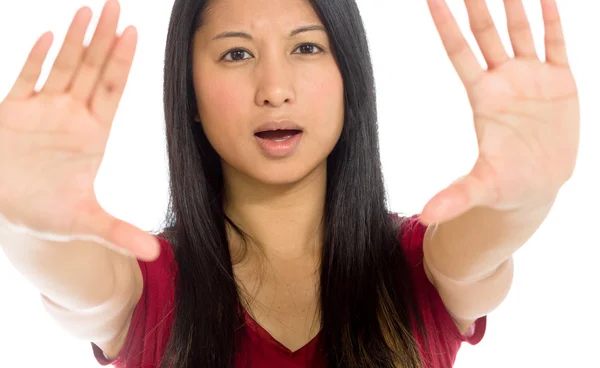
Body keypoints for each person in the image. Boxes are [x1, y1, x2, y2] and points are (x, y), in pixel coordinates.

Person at [0, 0, 579, 367]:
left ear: (348, 78)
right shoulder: (146, 284)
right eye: (235, 54)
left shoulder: (417, 266)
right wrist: (31, 226)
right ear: (190, 96)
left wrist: (525, 198)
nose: (274, 88)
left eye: (306, 47)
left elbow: (479, 253)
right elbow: (74, 285)